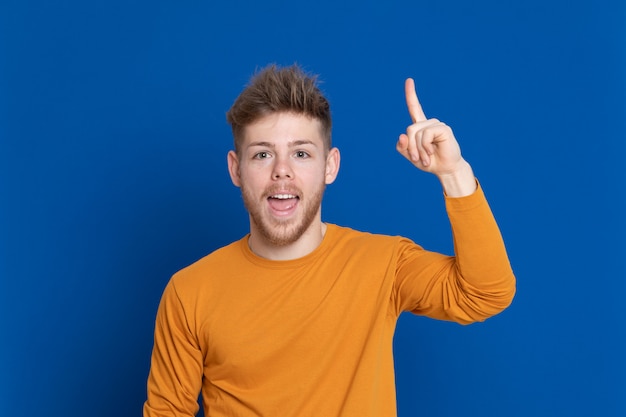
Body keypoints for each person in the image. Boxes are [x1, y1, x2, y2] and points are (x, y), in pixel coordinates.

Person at [143, 64, 516, 417]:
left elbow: (485, 293)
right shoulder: (190, 291)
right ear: (235, 169)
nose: (282, 171)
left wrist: (453, 173)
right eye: (262, 155)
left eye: (301, 153)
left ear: (330, 166)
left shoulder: (384, 264)